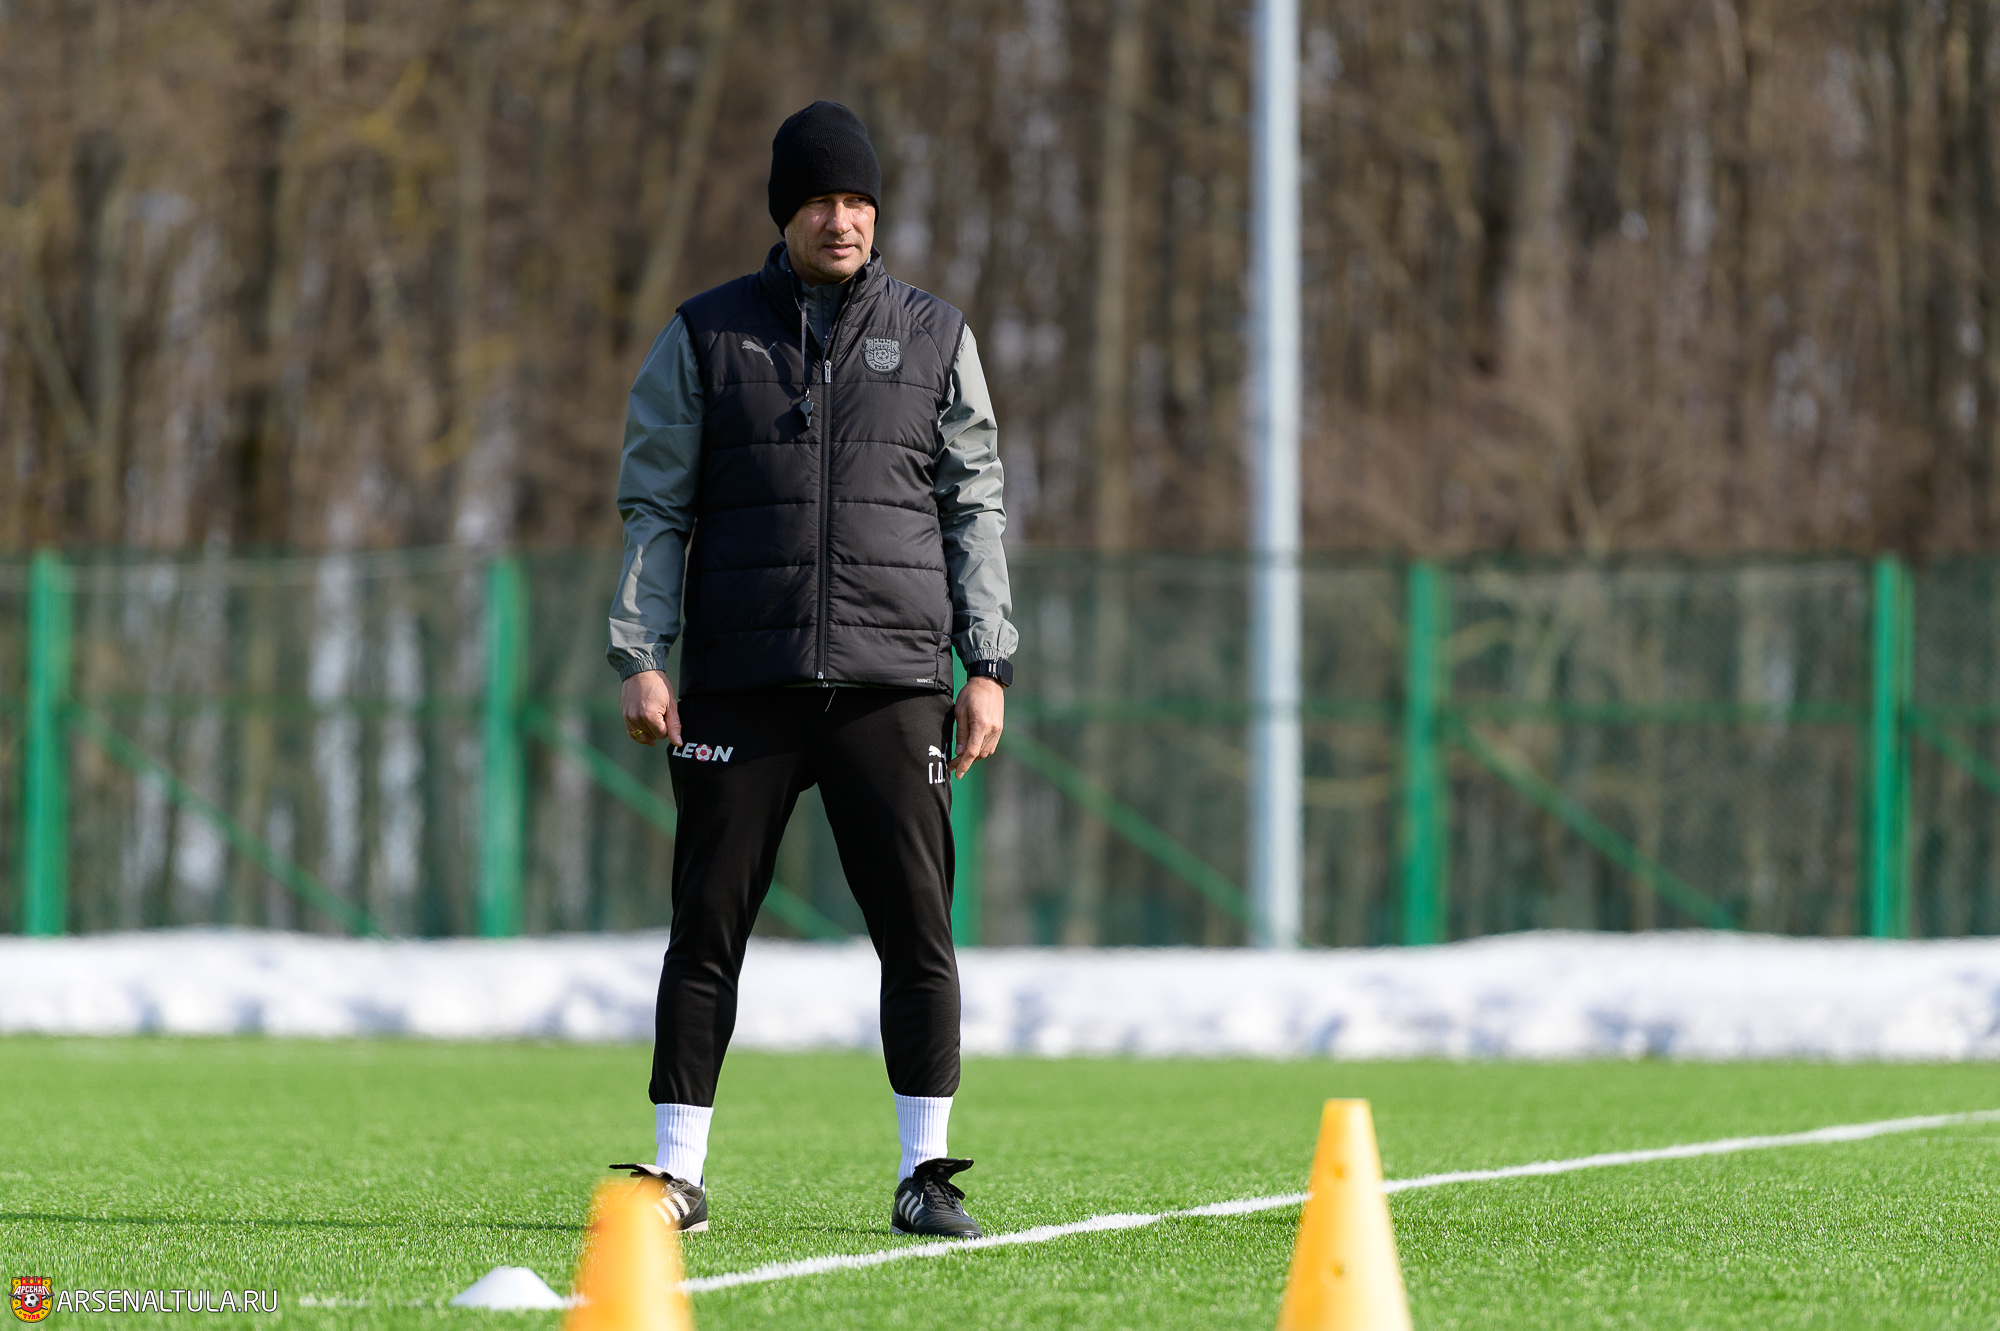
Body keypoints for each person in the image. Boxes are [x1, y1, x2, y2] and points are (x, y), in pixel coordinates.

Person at [603, 101, 1016, 1239]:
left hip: (895, 684)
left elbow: (974, 505)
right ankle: (677, 1174)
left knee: (917, 932)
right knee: (705, 929)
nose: (842, 220)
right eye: (821, 201)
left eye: (858, 201)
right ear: (785, 212)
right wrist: (639, 652)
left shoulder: (936, 335)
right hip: (743, 680)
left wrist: (986, 662)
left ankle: (925, 1173)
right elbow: (654, 503)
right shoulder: (704, 334)